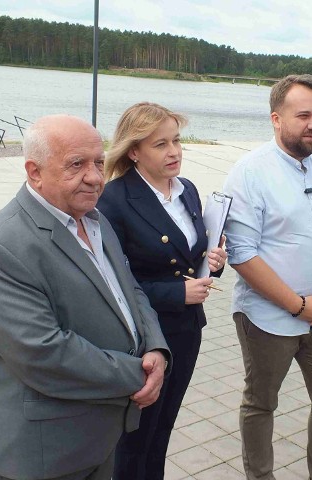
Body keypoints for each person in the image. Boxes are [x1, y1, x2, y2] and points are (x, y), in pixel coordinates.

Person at [0, 115, 171, 480]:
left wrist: (155, 346)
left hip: (101, 436)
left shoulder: (93, 218)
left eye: (98, 162)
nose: (95, 177)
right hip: (47, 451)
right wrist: (137, 373)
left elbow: (130, 290)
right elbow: (41, 351)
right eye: (76, 164)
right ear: (35, 172)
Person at [223, 74, 312, 480]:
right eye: (303, 115)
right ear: (276, 119)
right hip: (267, 318)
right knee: (262, 403)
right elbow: (241, 253)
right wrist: (296, 304)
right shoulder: (249, 172)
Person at [97, 102, 227, 480]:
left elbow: (190, 258)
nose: (174, 152)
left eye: (177, 140)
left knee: (163, 428)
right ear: (133, 151)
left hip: (186, 331)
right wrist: (175, 294)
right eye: (160, 144)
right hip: (143, 338)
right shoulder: (114, 200)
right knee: (135, 436)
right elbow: (112, 283)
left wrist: (213, 261)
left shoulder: (187, 190)